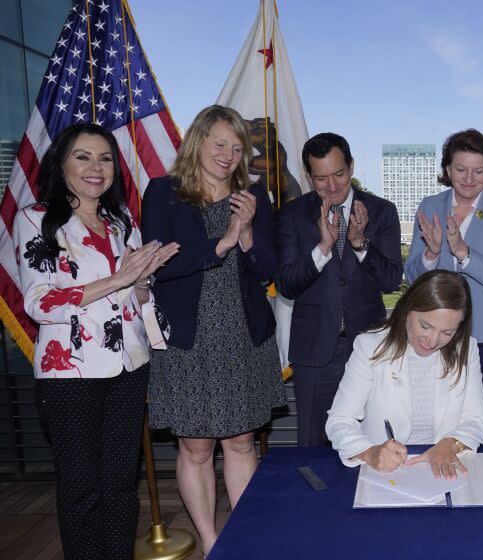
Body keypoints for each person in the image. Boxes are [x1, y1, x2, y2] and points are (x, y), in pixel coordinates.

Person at [14, 123, 178, 560]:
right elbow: (40, 302)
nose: (96, 167)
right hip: (69, 373)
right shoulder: (35, 219)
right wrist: (118, 278)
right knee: (82, 485)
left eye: (105, 158)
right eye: (83, 156)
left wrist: (142, 281)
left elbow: (136, 298)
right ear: (62, 163)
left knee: (121, 481)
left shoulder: (121, 221)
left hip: (128, 367)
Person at [142, 105, 287, 556]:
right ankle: (210, 540)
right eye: (219, 143)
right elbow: (159, 266)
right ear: (198, 141)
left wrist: (245, 238)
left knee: (242, 440)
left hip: (243, 335)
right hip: (188, 339)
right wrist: (222, 241)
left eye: (237, 147)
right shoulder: (164, 192)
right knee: (197, 446)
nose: (227, 155)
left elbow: (269, 269)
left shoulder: (253, 197)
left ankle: (242, 538)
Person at [275, 132, 402, 447]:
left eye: (339, 175)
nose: (331, 186)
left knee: (371, 444)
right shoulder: (292, 216)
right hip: (314, 352)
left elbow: (391, 281)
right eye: (321, 178)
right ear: (308, 176)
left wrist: (361, 245)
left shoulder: (382, 211)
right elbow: (286, 286)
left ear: (352, 167)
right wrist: (322, 249)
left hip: (370, 349)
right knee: (313, 448)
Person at [405, 129, 483, 442]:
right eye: (460, 169)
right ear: (447, 170)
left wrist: (464, 254)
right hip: (436, 339)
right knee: (437, 427)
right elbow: (412, 277)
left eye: (478, 171)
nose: (469, 178)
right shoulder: (430, 206)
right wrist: (430, 253)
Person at [326, 269, 483, 477]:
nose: (432, 341)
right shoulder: (370, 346)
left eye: (447, 332)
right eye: (425, 326)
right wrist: (369, 452)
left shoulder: (466, 350)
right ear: (407, 310)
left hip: (444, 466)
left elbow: (478, 420)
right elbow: (339, 420)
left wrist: (451, 444)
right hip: (385, 472)